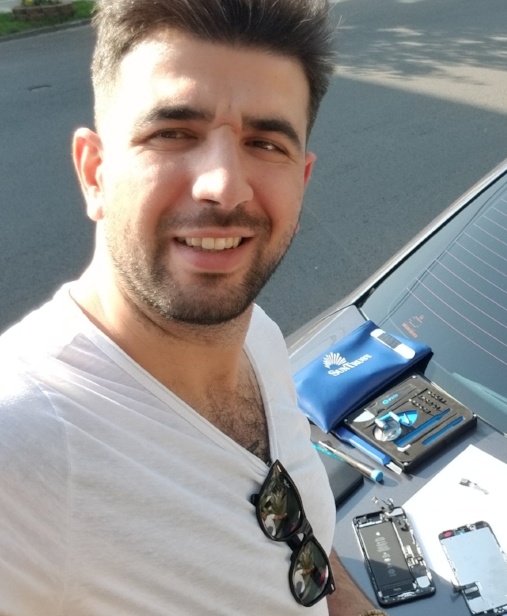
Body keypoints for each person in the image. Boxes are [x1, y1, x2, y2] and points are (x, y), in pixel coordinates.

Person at [0, 1, 387, 614]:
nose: (225, 185)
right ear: (94, 172)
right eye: (172, 133)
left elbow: (300, 548)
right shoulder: (22, 444)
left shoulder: (255, 336)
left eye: (266, 142)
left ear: (303, 179)